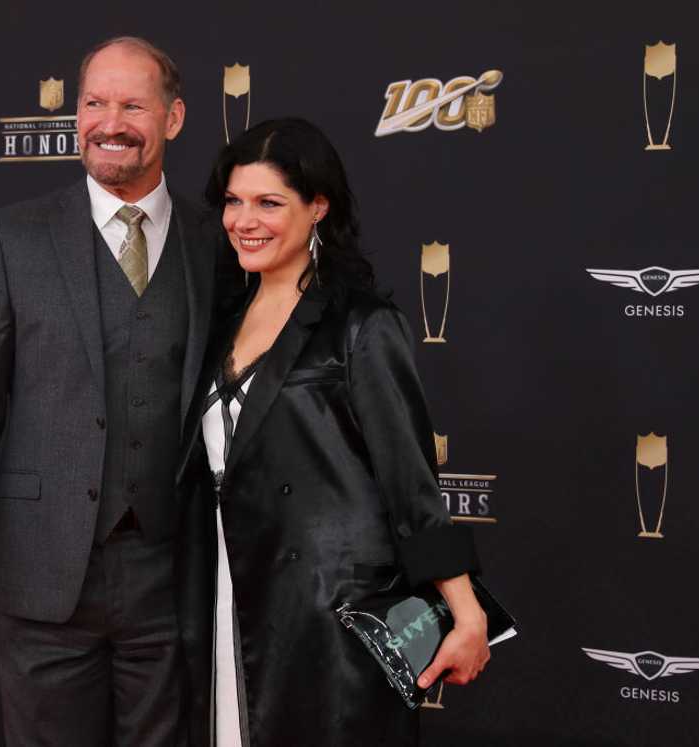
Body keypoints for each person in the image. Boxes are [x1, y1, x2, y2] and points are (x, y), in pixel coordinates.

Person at [0, 36, 234, 746]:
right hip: (45, 574)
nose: (108, 121)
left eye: (132, 104)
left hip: (171, 577)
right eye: (93, 102)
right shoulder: (15, 237)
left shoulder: (214, 241)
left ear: (174, 118)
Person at [176, 118, 491, 746]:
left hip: (327, 612)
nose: (245, 220)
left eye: (269, 203)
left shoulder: (361, 325)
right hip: (221, 594)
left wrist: (466, 610)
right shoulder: (220, 317)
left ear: (318, 206)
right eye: (235, 202)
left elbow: (411, 481)